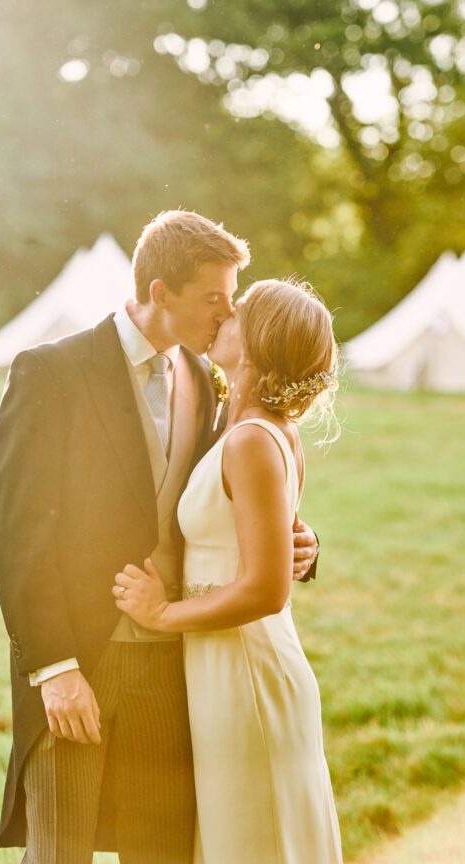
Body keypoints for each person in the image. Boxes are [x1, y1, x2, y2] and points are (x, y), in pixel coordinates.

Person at [0, 211, 320, 864]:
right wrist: (54, 670)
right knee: (62, 847)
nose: (227, 317)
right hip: (79, 653)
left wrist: (298, 544)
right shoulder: (51, 371)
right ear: (159, 292)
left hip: (175, 662)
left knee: (161, 848)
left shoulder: (206, 380)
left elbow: (232, 504)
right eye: (213, 299)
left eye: (232, 299)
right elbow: (17, 531)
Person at [113, 277, 344, 864]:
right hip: (221, 662)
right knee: (238, 835)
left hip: (246, 666)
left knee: (255, 837)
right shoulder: (241, 427)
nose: (222, 318)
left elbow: (266, 589)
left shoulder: (252, 440)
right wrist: (305, 539)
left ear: (260, 340)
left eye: (236, 313)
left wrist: (162, 614)